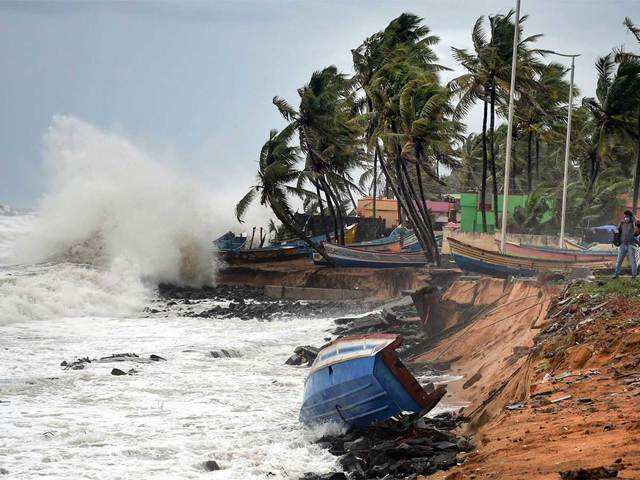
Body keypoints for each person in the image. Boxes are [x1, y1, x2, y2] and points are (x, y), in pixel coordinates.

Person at [613, 210, 638, 278]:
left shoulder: (633, 223)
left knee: (633, 261)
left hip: (631, 244)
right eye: (625, 216)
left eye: (627, 216)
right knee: (619, 260)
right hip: (622, 244)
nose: (625, 218)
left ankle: (634, 275)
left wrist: (633, 217)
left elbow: (638, 223)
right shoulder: (622, 223)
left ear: (630, 217)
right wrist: (616, 238)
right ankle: (616, 274)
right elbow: (618, 231)